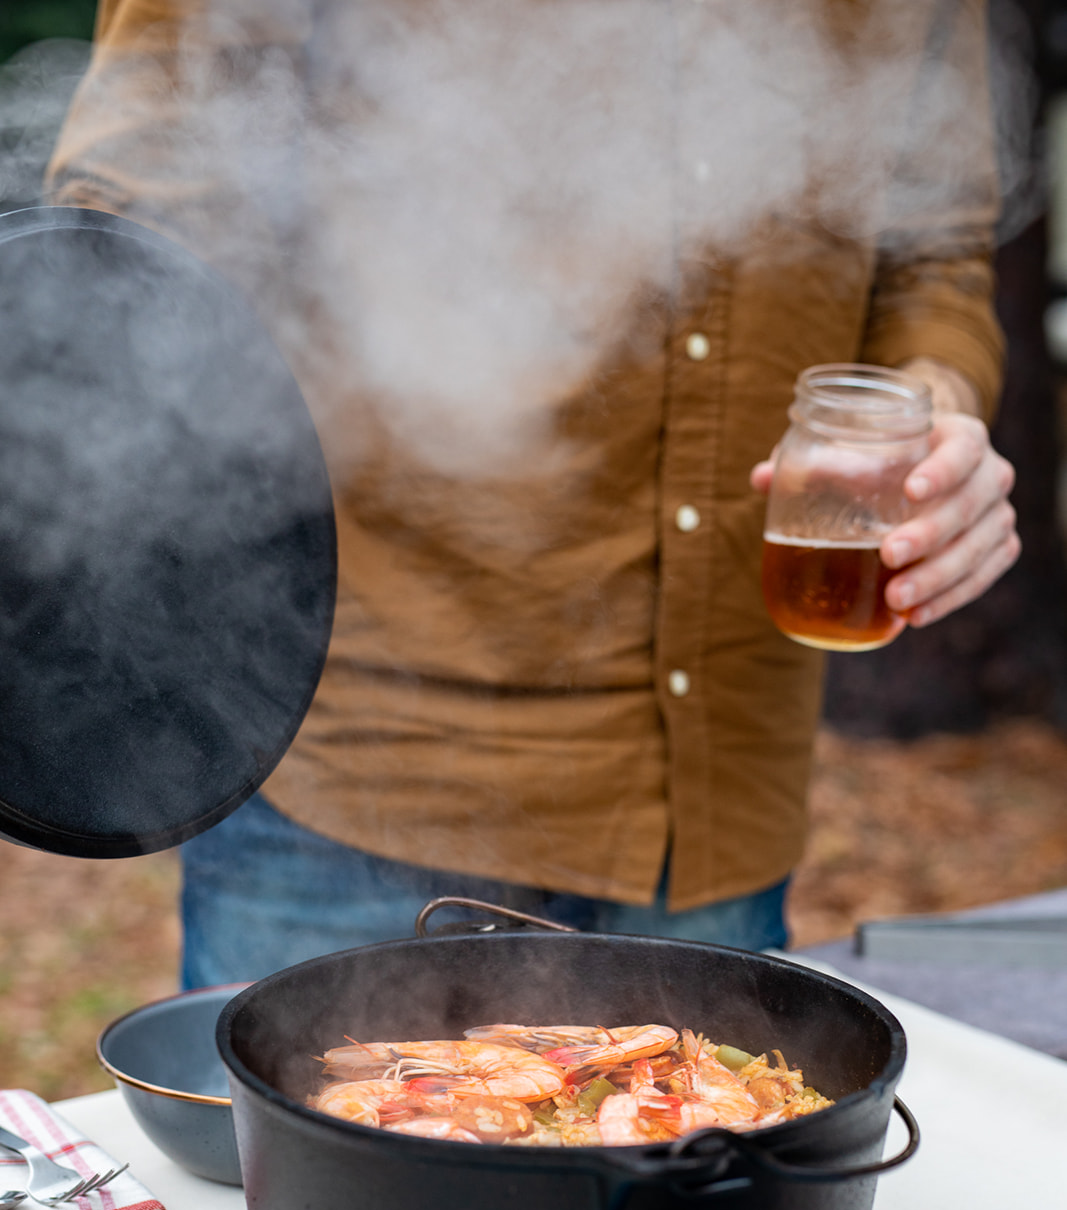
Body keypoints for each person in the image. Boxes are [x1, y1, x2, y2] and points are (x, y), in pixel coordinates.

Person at [48, 0, 1018, 983]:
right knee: (289, 1144)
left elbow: (930, 253)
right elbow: (135, 220)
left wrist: (928, 416)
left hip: (717, 798)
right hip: (355, 772)